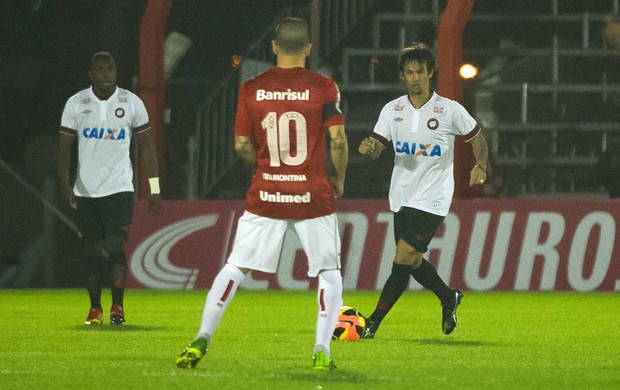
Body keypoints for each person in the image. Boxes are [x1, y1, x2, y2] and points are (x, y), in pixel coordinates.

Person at [175, 17, 348, 371]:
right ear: (309, 49)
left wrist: (261, 168)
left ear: (273, 46)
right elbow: (339, 139)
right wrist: (339, 179)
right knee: (328, 272)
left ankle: (201, 338)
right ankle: (322, 350)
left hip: (266, 194)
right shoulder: (323, 87)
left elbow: (240, 143)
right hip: (312, 195)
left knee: (235, 267)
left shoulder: (252, 87)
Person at [358, 43, 488, 338]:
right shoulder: (393, 110)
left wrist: (480, 164)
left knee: (403, 256)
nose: (415, 77)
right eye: (409, 72)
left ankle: (372, 323)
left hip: (433, 197)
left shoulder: (449, 109)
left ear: (430, 73)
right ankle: (448, 297)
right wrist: (369, 149)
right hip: (401, 195)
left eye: (420, 71)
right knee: (413, 261)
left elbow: (476, 136)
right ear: (402, 76)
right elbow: (378, 147)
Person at [57, 51, 162, 325]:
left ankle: (117, 307)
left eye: (110, 69)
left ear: (116, 72)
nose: (106, 74)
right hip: (86, 192)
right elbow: (64, 149)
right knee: (91, 251)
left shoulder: (131, 102)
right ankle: (95, 309)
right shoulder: (76, 103)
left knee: (116, 246)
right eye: (100, 69)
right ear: (90, 74)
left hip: (119, 189)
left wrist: (154, 188)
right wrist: (65, 185)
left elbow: (148, 147)